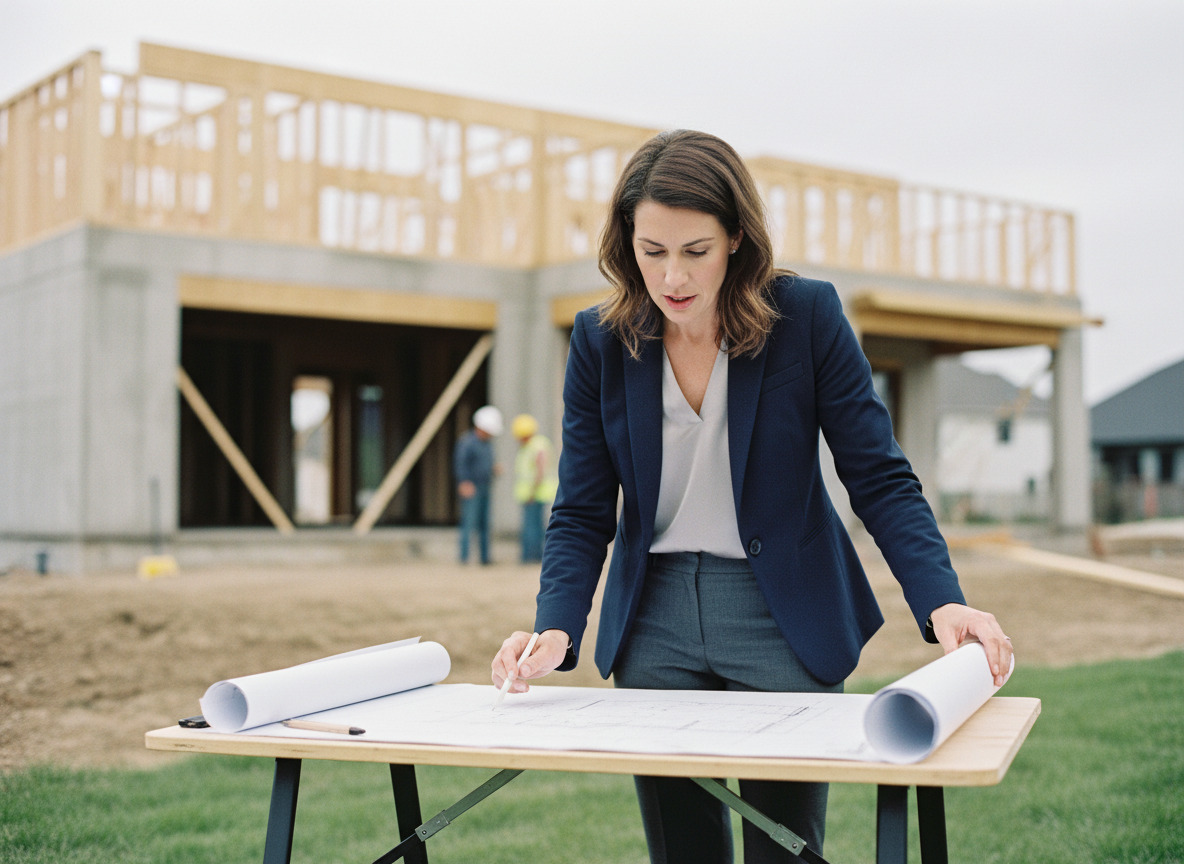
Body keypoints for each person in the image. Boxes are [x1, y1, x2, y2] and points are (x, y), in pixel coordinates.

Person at [490, 130, 1013, 863]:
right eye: (651, 251)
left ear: (736, 236)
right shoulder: (600, 340)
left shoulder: (808, 317)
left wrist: (941, 599)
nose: (672, 276)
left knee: (784, 849)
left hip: (782, 616)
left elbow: (878, 475)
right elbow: (581, 508)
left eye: (695, 250)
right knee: (683, 852)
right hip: (654, 624)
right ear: (626, 243)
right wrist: (556, 624)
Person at [453, 404, 502, 565]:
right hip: (471, 487)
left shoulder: (487, 444)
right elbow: (461, 464)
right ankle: (464, 558)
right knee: (469, 523)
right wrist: (464, 482)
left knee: (484, 524)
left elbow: (486, 463)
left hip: (485, 486)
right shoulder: (467, 442)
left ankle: (485, 558)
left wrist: (493, 469)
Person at [511, 414, 558, 563]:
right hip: (531, 493)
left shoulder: (536, 445)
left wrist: (532, 491)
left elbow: (540, 469)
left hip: (535, 494)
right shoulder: (531, 445)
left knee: (532, 528)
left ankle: (531, 557)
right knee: (534, 526)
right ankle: (533, 556)